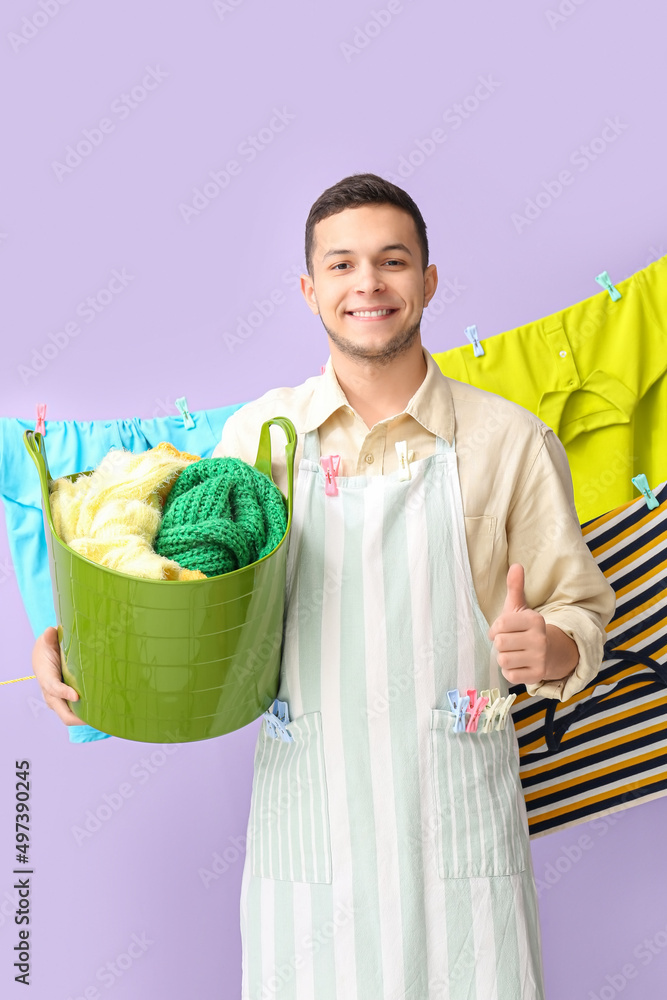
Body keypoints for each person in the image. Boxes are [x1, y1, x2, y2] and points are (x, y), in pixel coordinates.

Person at [32, 172, 616, 999]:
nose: (368, 284)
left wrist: (551, 645)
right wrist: (77, 644)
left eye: (392, 260)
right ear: (309, 290)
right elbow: (179, 600)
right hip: (313, 837)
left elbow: (579, 609)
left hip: (456, 828)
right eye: (341, 266)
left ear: (428, 280)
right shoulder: (258, 441)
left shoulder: (509, 441)